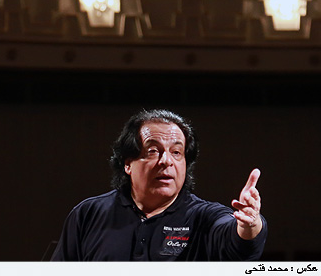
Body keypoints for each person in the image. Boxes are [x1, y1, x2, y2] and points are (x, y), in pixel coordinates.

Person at [51, 109, 267, 261]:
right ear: (128, 164)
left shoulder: (204, 217)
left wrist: (249, 224)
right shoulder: (88, 214)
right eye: (153, 151)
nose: (166, 161)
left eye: (177, 152)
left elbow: (237, 243)